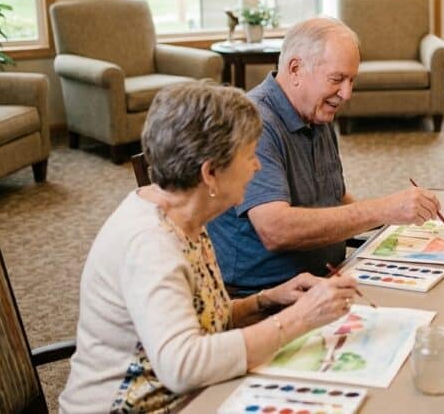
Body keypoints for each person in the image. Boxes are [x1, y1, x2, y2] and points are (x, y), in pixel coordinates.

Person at [59, 83, 358, 412]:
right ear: (211, 173)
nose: (257, 167)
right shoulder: (149, 243)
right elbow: (184, 366)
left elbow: (204, 318)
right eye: (249, 156)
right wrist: (298, 319)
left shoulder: (185, 217)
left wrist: (267, 299)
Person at [208, 18, 441, 296]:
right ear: (295, 69)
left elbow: (335, 199)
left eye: (352, 80)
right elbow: (275, 230)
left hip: (330, 274)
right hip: (269, 295)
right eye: (337, 79)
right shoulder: (254, 123)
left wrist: (397, 216)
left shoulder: (315, 112)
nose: (347, 93)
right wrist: (383, 209)